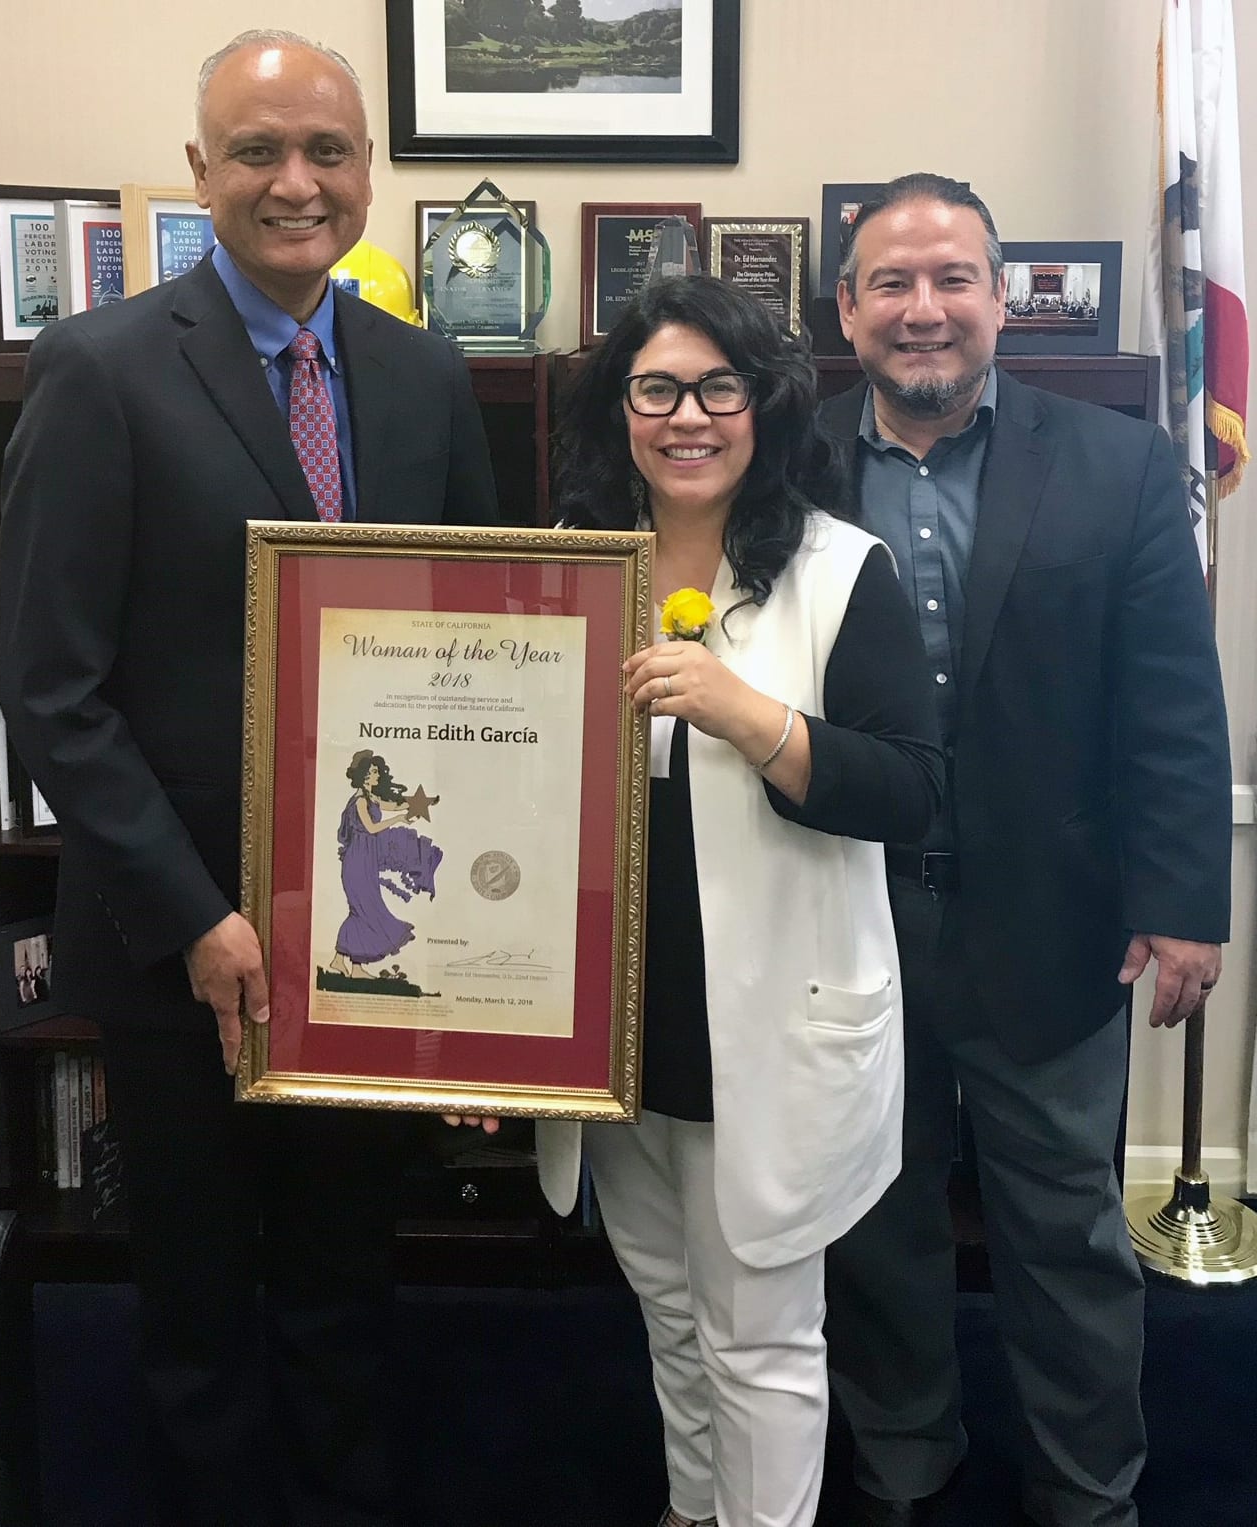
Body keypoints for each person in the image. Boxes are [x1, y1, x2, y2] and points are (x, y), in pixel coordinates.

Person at [0, 28, 497, 1527]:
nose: (299, 182)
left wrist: (486, 976)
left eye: (329, 151)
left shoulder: (421, 374)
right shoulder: (97, 369)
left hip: (370, 945)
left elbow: (483, 658)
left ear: (369, 173)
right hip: (182, 952)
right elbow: (52, 687)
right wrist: (198, 913)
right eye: (261, 151)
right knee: (203, 1314)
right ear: (203, 169)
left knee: (349, 1287)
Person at [817, 174, 1230, 1527]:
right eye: (892, 282)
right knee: (876, 1231)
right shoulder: (785, 464)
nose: (923, 309)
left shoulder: (1113, 462)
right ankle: (904, 1464)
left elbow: (1170, 698)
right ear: (848, 309)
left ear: (1003, 298)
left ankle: (1085, 1485)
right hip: (844, 926)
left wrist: (1182, 901)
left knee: (1064, 1233)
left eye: (951, 280)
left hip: (1050, 923)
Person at [536, 274, 943, 1527]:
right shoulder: (566, 571)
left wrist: (749, 716)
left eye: (719, 388)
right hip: (617, 1031)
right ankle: (695, 1510)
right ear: (619, 412)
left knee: (763, 1335)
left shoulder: (839, 571)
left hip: (765, 1032)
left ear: (764, 407)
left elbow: (910, 791)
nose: (687, 417)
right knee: (669, 1308)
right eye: (654, 389)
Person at [328, 750, 441, 980]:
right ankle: (345, 962)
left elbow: (396, 805)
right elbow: (371, 828)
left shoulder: (372, 798)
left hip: (366, 860)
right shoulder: (360, 800)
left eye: (377, 771)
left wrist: (421, 802)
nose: (377, 774)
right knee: (363, 910)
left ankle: (347, 963)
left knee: (362, 911)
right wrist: (397, 820)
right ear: (363, 776)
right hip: (356, 861)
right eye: (372, 771)